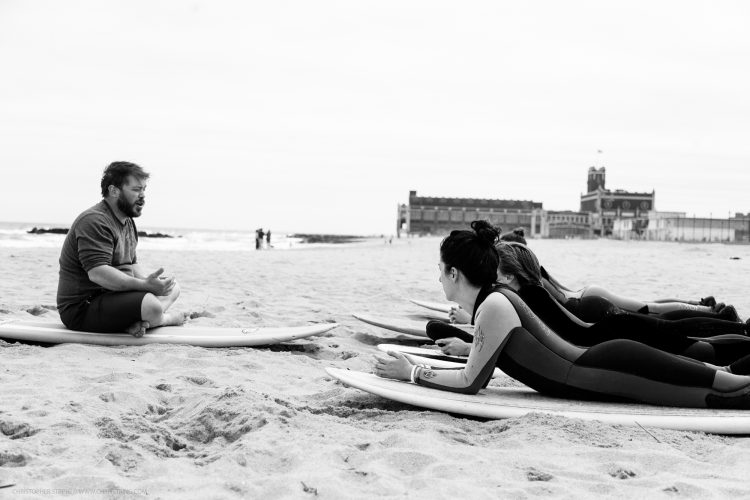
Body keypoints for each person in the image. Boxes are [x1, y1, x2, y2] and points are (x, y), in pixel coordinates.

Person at [374, 221, 750, 408]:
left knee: (727, 390)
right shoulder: (497, 298)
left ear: (455, 273)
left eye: (440, 270)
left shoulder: (493, 305)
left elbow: (471, 382)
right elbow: (479, 369)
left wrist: (410, 372)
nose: (438, 278)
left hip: (603, 371)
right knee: (726, 388)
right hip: (603, 364)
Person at [428, 240, 750, 366]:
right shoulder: (528, 293)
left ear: (511, 278)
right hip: (610, 331)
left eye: (496, 274)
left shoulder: (527, 296)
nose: (492, 279)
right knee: (690, 339)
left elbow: (526, 340)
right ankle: (738, 329)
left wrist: (471, 345)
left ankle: (741, 331)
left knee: (698, 348)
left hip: (613, 333)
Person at [57, 161, 185, 337]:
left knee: (173, 286)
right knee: (151, 305)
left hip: (113, 297)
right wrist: (144, 287)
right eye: (136, 189)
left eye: (144, 190)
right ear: (114, 191)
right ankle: (164, 318)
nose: (142, 196)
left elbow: (132, 264)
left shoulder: (127, 222)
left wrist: (150, 282)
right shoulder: (95, 221)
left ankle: (135, 322)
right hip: (83, 308)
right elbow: (97, 273)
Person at [500, 227, 737, 322]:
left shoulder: (525, 276)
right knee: (649, 308)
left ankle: (709, 311)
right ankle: (702, 306)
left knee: (650, 311)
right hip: (585, 295)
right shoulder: (533, 266)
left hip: (582, 302)